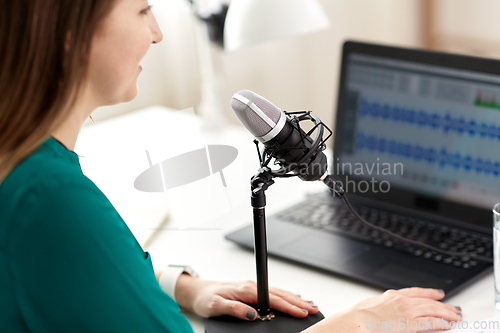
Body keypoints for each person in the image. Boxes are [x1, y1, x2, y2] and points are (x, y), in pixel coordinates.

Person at [0, 0, 463, 332]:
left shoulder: (28, 164)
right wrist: (355, 326)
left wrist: (177, 286)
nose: (158, 33)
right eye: (142, 10)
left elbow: (64, 274)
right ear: (70, 36)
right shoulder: (51, 198)